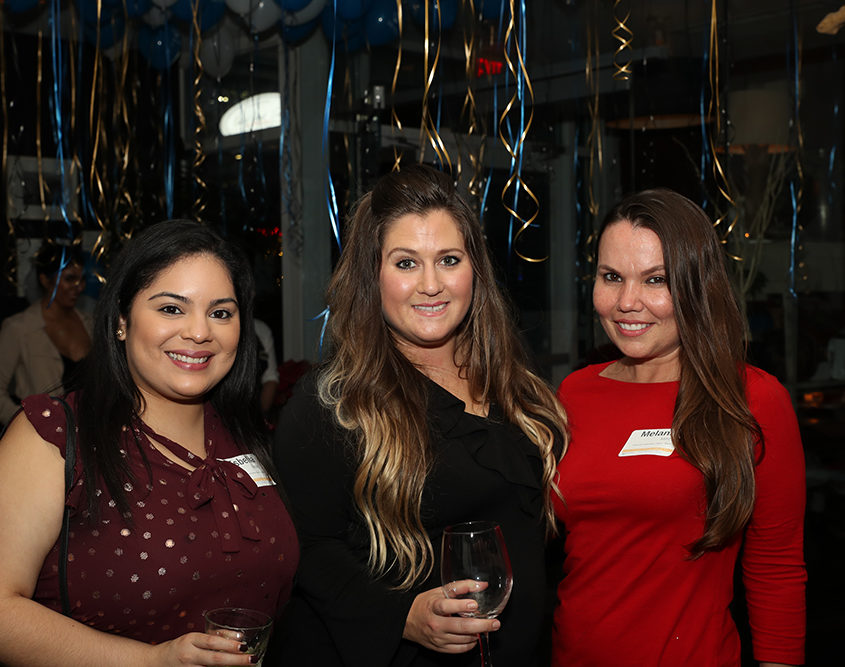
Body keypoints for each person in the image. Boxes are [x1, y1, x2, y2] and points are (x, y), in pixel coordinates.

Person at [272, 165, 568, 667]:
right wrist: (402, 616)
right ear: (372, 276)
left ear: (475, 269)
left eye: (449, 260)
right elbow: (307, 548)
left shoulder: (514, 383)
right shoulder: (332, 404)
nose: (431, 285)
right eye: (406, 263)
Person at [0, 220, 298, 666]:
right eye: (172, 309)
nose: (199, 332)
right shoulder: (54, 434)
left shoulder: (243, 436)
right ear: (121, 320)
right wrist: (151, 661)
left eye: (221, 313)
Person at [551, 188, 806, 667]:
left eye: (656, 280)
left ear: (695, 286)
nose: (627, 302)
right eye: (611, 277)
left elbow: (777, 566)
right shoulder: (575, 392)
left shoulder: (751, 398)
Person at [0, 242, 92, 426]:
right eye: (69, 278)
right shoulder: (19, 328)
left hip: (87, 432)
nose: (78, 286)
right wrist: (28, 426)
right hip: (41, 436)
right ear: (45, 280)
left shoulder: (90, 323)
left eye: (81, 279)